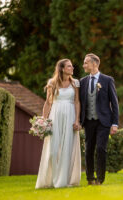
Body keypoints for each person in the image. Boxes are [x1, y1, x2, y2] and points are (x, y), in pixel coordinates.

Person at [35, 59, 81, 189]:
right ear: (61, 69)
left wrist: (77, 120)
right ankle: (51, 180)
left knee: (67, 148)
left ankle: (63, 181)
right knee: (53, 150)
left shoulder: (75, 83)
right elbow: (48, 103)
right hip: (55, 116)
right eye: (69, 66)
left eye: (72, 66)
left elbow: (77, 102)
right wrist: (43, 121)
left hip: (70, 115)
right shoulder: (52, 83)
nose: (72, 68)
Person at [79, 53, 119, 185]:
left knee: (101, 149)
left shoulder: (107, 80)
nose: (84, 65)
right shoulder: (82, 81)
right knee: (89, 149)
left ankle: (100, 179)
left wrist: (115, 123)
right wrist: (79, 121)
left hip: (104, 121)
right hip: (88, 121)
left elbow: (114, 103)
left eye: (86, 63)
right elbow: (79, 103)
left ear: (94, 64)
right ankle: (90, 178)